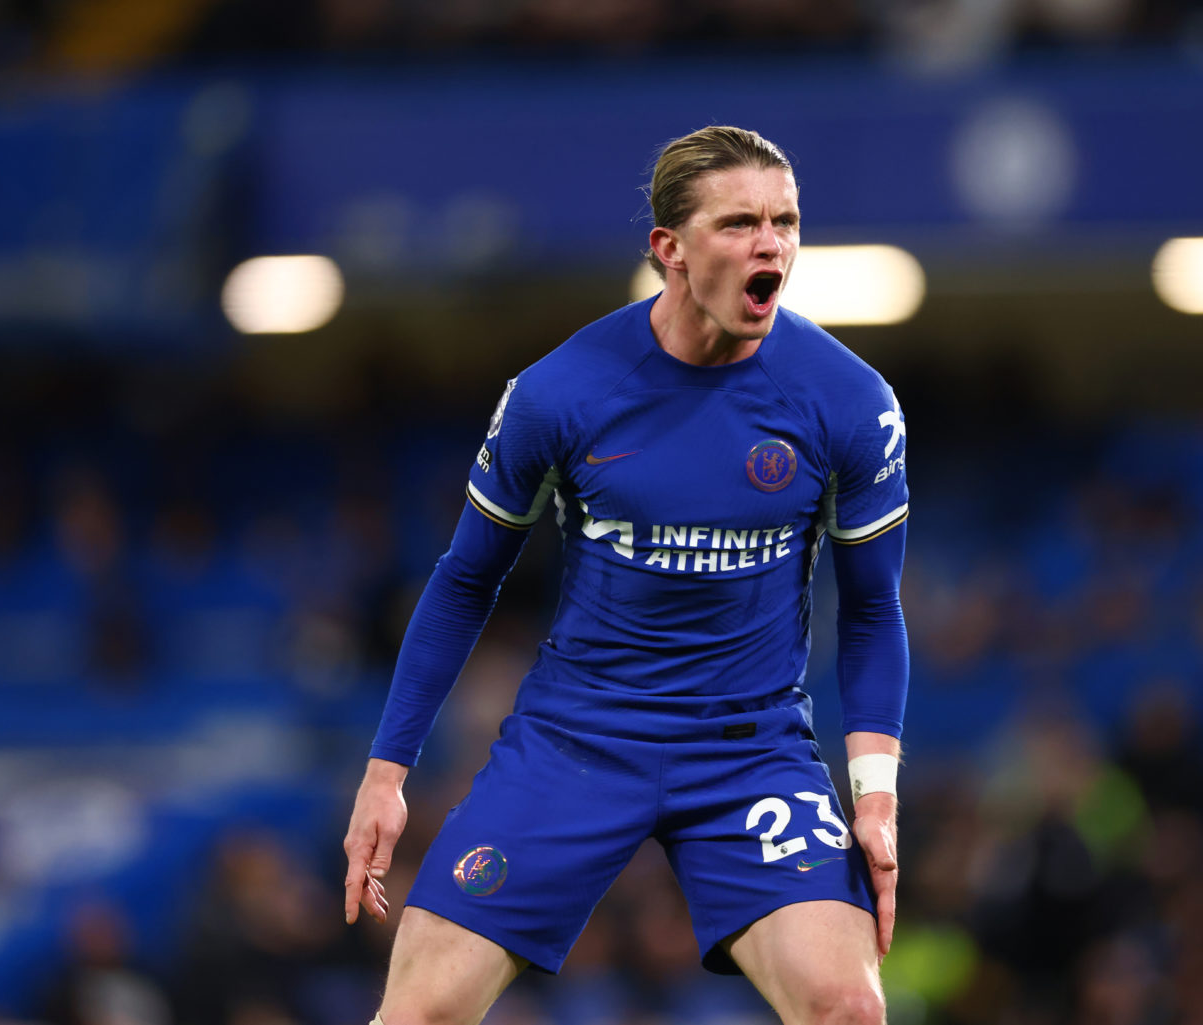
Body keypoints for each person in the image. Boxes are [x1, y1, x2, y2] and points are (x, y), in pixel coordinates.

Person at [342, 125, 910, 1025]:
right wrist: (387, 772)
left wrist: (874, 797)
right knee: (420, 1012)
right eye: (739, 224)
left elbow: (874, 606)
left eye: (786, 221)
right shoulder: (559, 394)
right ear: (668, 250)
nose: (771, 244)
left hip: (749, 751)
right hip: (578, 741)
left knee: (849, 1006)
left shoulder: (850, 401)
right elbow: (463, 580)